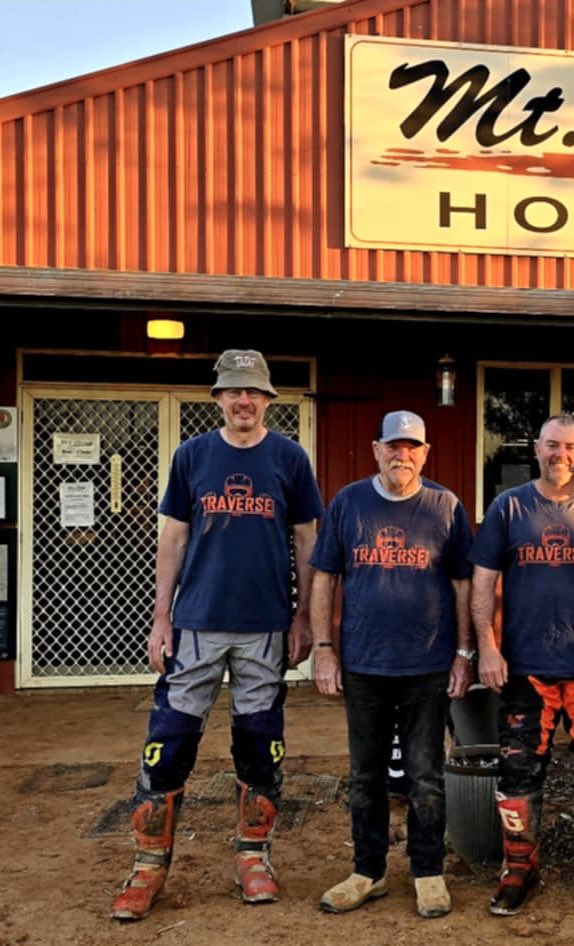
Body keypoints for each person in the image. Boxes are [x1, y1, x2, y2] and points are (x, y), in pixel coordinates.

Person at [111, 349, 324, 920]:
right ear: (218, 398)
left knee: (259, 745)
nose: (243, 400)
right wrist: (161, 617)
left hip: (265, 625)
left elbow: (307, 540)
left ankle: (254, 857)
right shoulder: (192, 455)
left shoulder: (290, 459)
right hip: (196, 624)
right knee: (169, 742)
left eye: (252, 391)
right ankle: (148, 866)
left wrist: (304, 617)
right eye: (233, 391)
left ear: (268, 399)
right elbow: (173, 539)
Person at [311, 410, 474, 919]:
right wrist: (323, 648)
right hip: (364, 663)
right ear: (376, 450)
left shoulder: (445, 506)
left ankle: (427, 871)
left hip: (428, 664)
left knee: (426, 775)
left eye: (412, 448)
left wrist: (464, 653)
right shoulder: (348, 503)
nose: (402, 455)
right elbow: (324, 577)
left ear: (425, 454)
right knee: (365, 775)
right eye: (393, 446)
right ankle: (369, 871)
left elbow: (463, 584)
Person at [470, 413, 574, 917]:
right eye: (551, 445)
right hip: (526, 668)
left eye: (569, 447)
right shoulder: (508, 507)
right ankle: (519, 868)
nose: (559, 454)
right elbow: (483, 581)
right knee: (518, 774)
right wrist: (487, 647)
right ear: (536, 450)